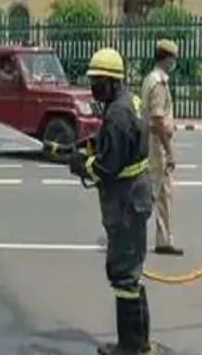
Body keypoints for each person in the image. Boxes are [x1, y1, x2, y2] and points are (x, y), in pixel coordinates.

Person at [44, 47, 152, 354]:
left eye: (97, 82)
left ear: (113, 81)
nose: (93, 88)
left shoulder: (117, 113)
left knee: (122, 274)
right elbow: (110, 142)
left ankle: (130, 348)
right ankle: (140, 345)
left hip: (126, 201)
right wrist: (72, 148)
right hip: (135, 197)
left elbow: (107, 167)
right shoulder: (126, 101)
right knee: (130, 273)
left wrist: (81, 164)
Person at [141, 39, 183, 256]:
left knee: (158, 191)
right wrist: (169, 151)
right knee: (154, 192)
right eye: (173, 59)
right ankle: (129, 230)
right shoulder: (158, 83)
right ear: (167, 58)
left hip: (153, 142)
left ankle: (163, 238)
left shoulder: (151, 79)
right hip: (157, 144)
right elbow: (158, 121)